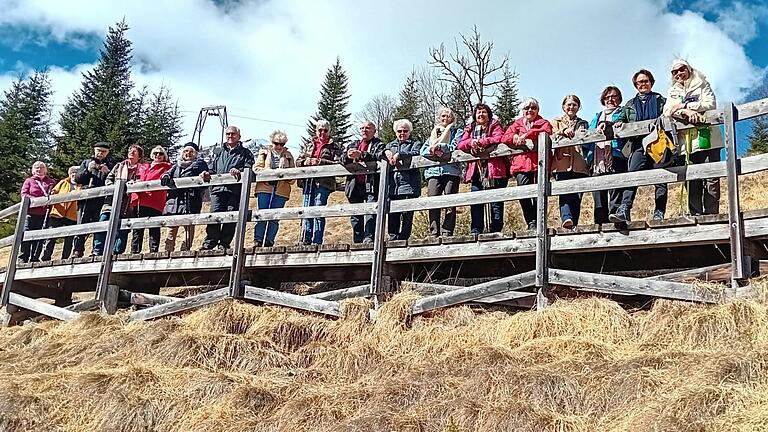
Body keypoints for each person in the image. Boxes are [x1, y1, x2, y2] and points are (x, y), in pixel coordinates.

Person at [662, 59, 723, 216]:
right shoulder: (672, 91)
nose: (678, 74)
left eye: (681, 69)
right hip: (686, 143)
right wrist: (686, 112)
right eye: (674, 72)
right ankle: (695, 215)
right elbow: (667, 111)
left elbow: (710, 104)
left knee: (711, 179)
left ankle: (712, 216)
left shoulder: (702, 84)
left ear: (688, 69)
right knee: (691, 179)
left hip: (708, 140)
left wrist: (684, 106)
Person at [616, 69, 669, 222]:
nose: (643, 84)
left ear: (651, 82)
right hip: (639, 143)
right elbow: (620, 119)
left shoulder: (661, 100)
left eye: (645, 81)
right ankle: (624, 208)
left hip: (659, 142)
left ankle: (659, 212)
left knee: (660, 176)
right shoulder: (631, 104)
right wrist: (617, 123)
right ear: (635, 85)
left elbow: (668, 113)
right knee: (632, 173)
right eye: (639, 82)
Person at [502, 97, 553, 230]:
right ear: (522, 111)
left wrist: (528, 134)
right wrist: (514, 137)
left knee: (540, 194)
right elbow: (504, 137)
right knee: (523, 194)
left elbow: (547, 132)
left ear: (538, 110)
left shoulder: (543, 122)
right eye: (526, 108)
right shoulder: (516, 124)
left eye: (533, 108)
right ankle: (531, 222)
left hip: (539, 164)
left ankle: (540, 223)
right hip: (521, 165)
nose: (530, 110)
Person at [201, 126, 255, 250]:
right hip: (217, 190)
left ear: (239, 136)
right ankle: (209, 243)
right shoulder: (219, 152)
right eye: (228, 134)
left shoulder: (246, 153)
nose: (230, 136)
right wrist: (207, 173)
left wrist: (240, 170)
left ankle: (224, 244)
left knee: (230, 217)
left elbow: (249, 167)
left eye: (233, 134)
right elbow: (213, 168)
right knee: (214, 215)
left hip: (234, 191)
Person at [457, 103, 507, 235]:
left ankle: (495, 229)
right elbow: (461, 144)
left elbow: (499, 137)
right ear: (474, 115)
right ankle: (476, 229)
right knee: (476, 200)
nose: (481, 115)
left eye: (484, 112)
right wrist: (471, 142)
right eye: (478, 112)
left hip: (494, 169)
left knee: (496, 201)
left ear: (488, 114)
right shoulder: (470, 128)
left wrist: (482, 142)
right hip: (476, 171)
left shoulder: (495, 125)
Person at [584, 86, 629, 224]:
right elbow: (587, 139)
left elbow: (626, 130)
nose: (610, 99)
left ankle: (615, 218)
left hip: (616, 154)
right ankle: (600, 221)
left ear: (619, 98)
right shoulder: (596, 116)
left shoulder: (624, 113)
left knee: (616, 188)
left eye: (614, 96)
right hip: (598, 160)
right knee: (598, 191)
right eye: (607, 97)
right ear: (603, 99)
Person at [93, 144, 144, 256]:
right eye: (130, 150)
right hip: (111, 201)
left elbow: (142, 181)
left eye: (134, 151)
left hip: (127, 203)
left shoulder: (141, 168)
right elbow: (109, 178)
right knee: (102, 224)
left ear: (139, 156)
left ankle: (116, 253)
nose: (131, 152)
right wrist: (113, 187)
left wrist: (133, 185)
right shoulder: (119, 166)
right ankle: (97, 252)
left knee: (123, 228)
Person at [296, 119, 340, 245]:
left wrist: (319, 162)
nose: (322, 133)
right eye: (320, 130)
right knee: (306, 209)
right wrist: (306, 162)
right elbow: (298, 161)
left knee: (319, 208)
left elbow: (338, 163)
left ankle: (317, 240)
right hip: (307, 181)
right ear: (316, 131)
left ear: (329, 131)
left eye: (325, 130)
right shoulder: (309, 144)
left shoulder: (334, 146)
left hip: (324, 182)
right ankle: (305, 239)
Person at [161, 142, 210, 252]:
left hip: (190, 200)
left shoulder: (199, 164)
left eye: (191, 151)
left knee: (188, 227)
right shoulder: (177, 165)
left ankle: (185, 251)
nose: (188, 153)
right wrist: (166, 176)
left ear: (195, 154)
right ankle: (167, 251)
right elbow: (167, 173)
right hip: (176, 201)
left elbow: (205, 174)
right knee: (172, 228)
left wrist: (202, 175)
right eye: (186, 151)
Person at [421, 108, 462, 237]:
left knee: (450, 202)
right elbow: (423, 151)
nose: (445, 118)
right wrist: (433, 150)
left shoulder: (456, 132)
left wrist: (441, 148)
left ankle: (447, 231)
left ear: (452, 119)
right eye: (443, 116)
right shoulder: (434, 133)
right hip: (433, 172)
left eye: (448, 116)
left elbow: (455, 147)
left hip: (451, 171)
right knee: (433, 202)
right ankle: (434, 232)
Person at [341, 121, 384, 243]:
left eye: (368, 128)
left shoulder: (378, 144)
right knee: (355, 216)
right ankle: (357, 241)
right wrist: (348, 156)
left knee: (371, 213)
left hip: (371, 184)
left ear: (374, 131)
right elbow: (341, 158)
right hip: (354, 185)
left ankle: (369, 239)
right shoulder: (354, 144)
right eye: (362, 128)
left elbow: (378, 155)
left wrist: (362, 154)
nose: (365, 130)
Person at [551, 95, 590, 228]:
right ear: (563, 106)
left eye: (574, 105)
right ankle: (566, 219)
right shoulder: (557, 121)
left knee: (577, 196)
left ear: (578, 107)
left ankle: (575, 223)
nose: (571, 107)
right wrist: (564, 131)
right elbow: (552, 133)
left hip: (579, 163)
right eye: (568, 104)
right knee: (565, 193)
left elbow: (587, 138)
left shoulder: (583, 123)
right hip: (562, 162)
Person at [253, 130, 295, 247]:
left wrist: (283, 175)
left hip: (281, 189)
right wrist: (270, 174)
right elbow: (256, 168)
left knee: (275, 216)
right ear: (272, 142)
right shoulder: (264, 152)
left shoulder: (289, 156)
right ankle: (258, 239)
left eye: (282, 144)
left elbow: (293, 176)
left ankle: (269, 240)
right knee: (262, 214)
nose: (279, 146)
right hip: (265, 187)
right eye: (276, 143)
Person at [382, 119, 422, 241]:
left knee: (407, 215)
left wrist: (399, 154)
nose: (402, 133)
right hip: (393, 186)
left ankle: (404, 239)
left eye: (405, 131)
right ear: (395, 132)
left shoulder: (415, 143)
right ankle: (393, 238)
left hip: (409, 186)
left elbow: (416, 152)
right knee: (393, 214)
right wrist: (386, 152)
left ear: (409, 132)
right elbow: (380, 153)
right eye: (399, 131)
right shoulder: (389, 145)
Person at [73, 142, 113, 257]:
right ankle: (77, 250)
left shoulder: (110, 164)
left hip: (101, 199)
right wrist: (88, 170)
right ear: (94, 150)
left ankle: (96, 251)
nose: (100, 153)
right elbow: (78, 179)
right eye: (98, 150)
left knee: (99, 225)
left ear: (107, 153)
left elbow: (112, 180)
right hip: (86, 197)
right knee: (81, 224)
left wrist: (107, 172)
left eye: (103, 151)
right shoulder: (86, 163)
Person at [130, 146, 172, 253]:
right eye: (155, 153)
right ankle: (135, 251)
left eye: (160, 154)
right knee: (137, 228)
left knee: (154, 227)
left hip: (155, 201)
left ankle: (153, 251)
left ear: (164, 156)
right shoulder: (144, 167)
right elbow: (137, 178)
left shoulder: (167, 167)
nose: (158, 155)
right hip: (139, 200)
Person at [40, 166, 81, 261]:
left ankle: (65, 258)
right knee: (51, 236)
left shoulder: (81, 186)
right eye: (72, 173)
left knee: (69, 238)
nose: (74, 175)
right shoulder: (63, 182)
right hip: (58, 212)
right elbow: (53, 192)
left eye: (76, 174)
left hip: (72, 215)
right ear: (69, 174)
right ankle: (46, 257)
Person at [18, 161, 55, 263]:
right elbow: (24, 194)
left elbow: (54, 194)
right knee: (26, 234)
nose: (39, 170)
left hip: (44, 214)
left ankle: (35, 258)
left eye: (41, 168)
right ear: (33, 170)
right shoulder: (29, 181)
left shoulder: (50, 182)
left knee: (40, 236)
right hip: (31, 213)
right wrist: (37, 200)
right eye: (37, 168)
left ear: (45, 170)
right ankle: (23, 258)